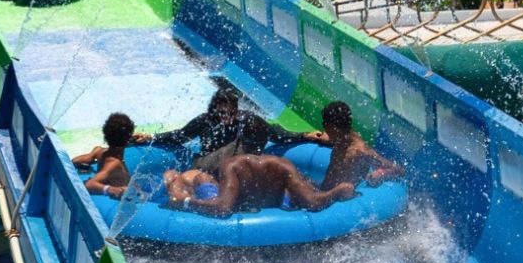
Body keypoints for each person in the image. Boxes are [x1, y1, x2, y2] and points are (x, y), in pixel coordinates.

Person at [166, 117, 356, 217]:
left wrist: (184, 201)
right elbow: (313, 202)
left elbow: (223, 208)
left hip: (241, 210)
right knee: (304, 182)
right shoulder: (282, 164)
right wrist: (337, 191)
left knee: (196, 178)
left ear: (241, 139)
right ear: (265, 139)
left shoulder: (231, 165)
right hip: (280, 207)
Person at [137, 87, 322, 174]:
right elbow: (179, 136)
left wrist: (305, 135)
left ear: (235, 107)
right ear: (215, 107)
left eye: (230, 109)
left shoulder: (247, 120)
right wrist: (151, 137)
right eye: (221, 109)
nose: (225, 114)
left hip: (238, 167)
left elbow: (277, 134)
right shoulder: (206, 121)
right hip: (209, 167)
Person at [319, 101, 405, 190]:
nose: (324, 128)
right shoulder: (340, 140)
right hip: (326, 192)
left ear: (334, 128)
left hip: (343, 200)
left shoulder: (360, 151)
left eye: (324, 124)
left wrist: (381, 173)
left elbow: (400, 170)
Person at [71, 112, 135, 199]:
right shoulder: (114, 164)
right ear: (127, 138)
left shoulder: (99, 151)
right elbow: (89, 184)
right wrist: (110, 189)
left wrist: (91, 162)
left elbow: (75, 160)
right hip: (121, 195)